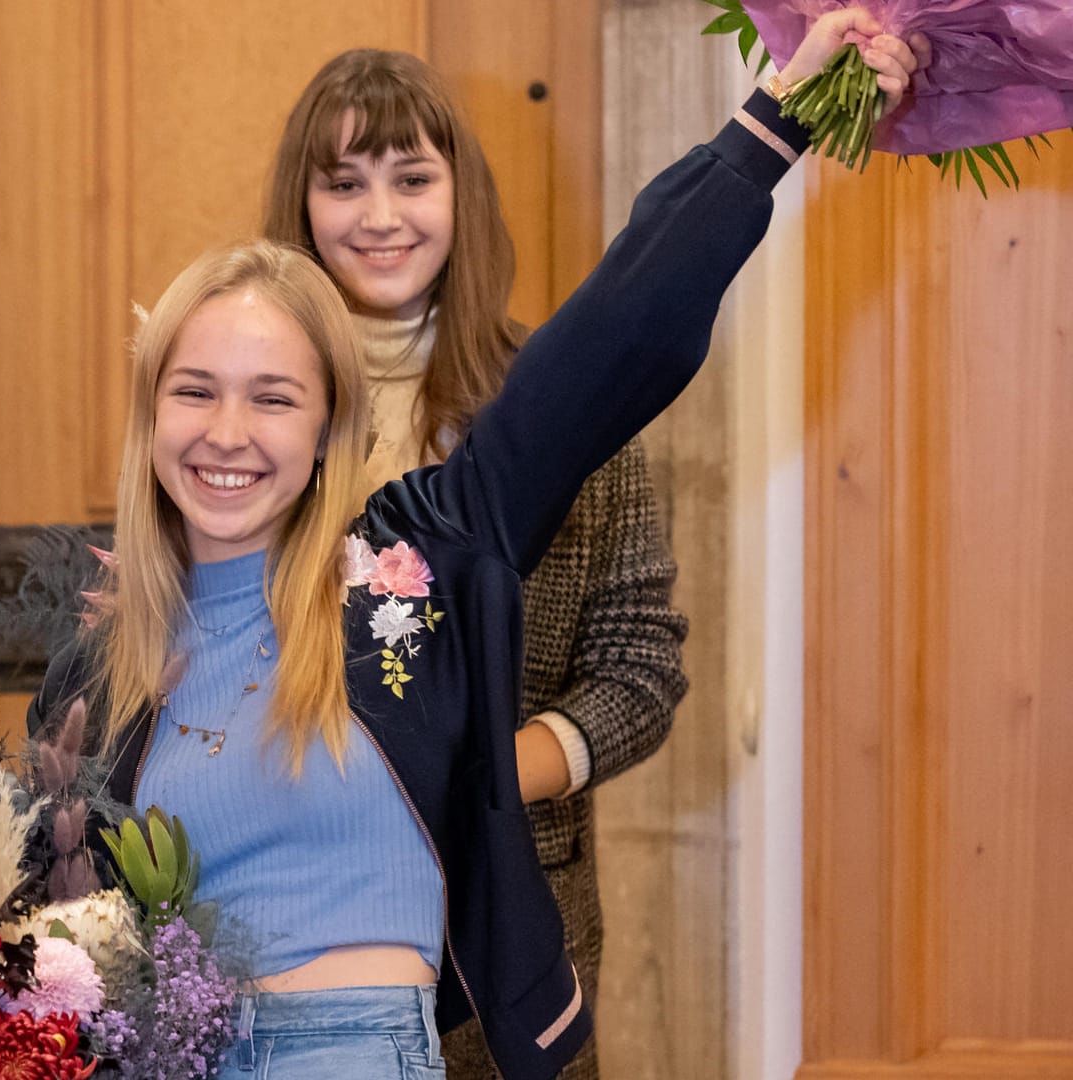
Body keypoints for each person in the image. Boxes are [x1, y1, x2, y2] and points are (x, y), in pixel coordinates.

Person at [28, 13, 921, 1080]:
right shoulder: (99, 663)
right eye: (193, 393)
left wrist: (779, 112)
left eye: (273, 398)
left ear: (328, 435)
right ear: (148, 420)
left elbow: (619, 331)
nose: (227, 433)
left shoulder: (407, 569)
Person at [261, 47, 689, 1079]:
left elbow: (640, 674)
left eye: (412, 179)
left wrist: (479, 780)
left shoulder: (565, 406)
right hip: (287, 924)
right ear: (301, 206)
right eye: (344, 183)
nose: (380, 215)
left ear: (463, 195)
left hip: (510, 929)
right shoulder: (248, 415)